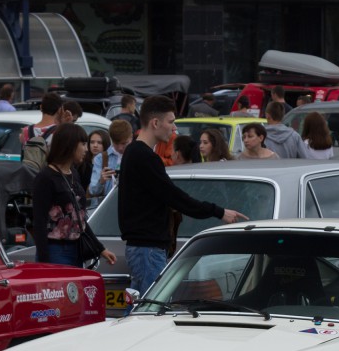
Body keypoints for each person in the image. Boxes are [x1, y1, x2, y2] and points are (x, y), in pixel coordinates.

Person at [118, 95, 247, 293]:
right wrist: (218, 212)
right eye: (170, 122)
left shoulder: (134, 153)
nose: (174, 128)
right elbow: (175, 197)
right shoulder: (145, 157)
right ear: (155, 123)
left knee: (141, 308)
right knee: (149, 311)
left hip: (144, 247)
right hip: (148, 248)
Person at [31, 123, 116, 268]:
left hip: (77, 249)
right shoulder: (46, 177)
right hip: (55, 251)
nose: (86, 149)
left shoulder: (74, 173)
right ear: (69, 145)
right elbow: (38, 223)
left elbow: (79, 218)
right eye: (83, 144)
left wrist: (100, 249)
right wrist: (45, 265)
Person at [90, 119, 130, 200]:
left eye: (123, 143)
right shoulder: (101, 158)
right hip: (109, 206)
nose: (120, 148)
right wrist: (101, 181)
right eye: (116, 143)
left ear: (131, 137)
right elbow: (92, 191)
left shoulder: (135, 156)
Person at [81, 128, 110, 193]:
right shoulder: (82, 163)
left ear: (105, 144)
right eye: (92, 142)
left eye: (99, 143)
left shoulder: (110, 162)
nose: (95, 145)